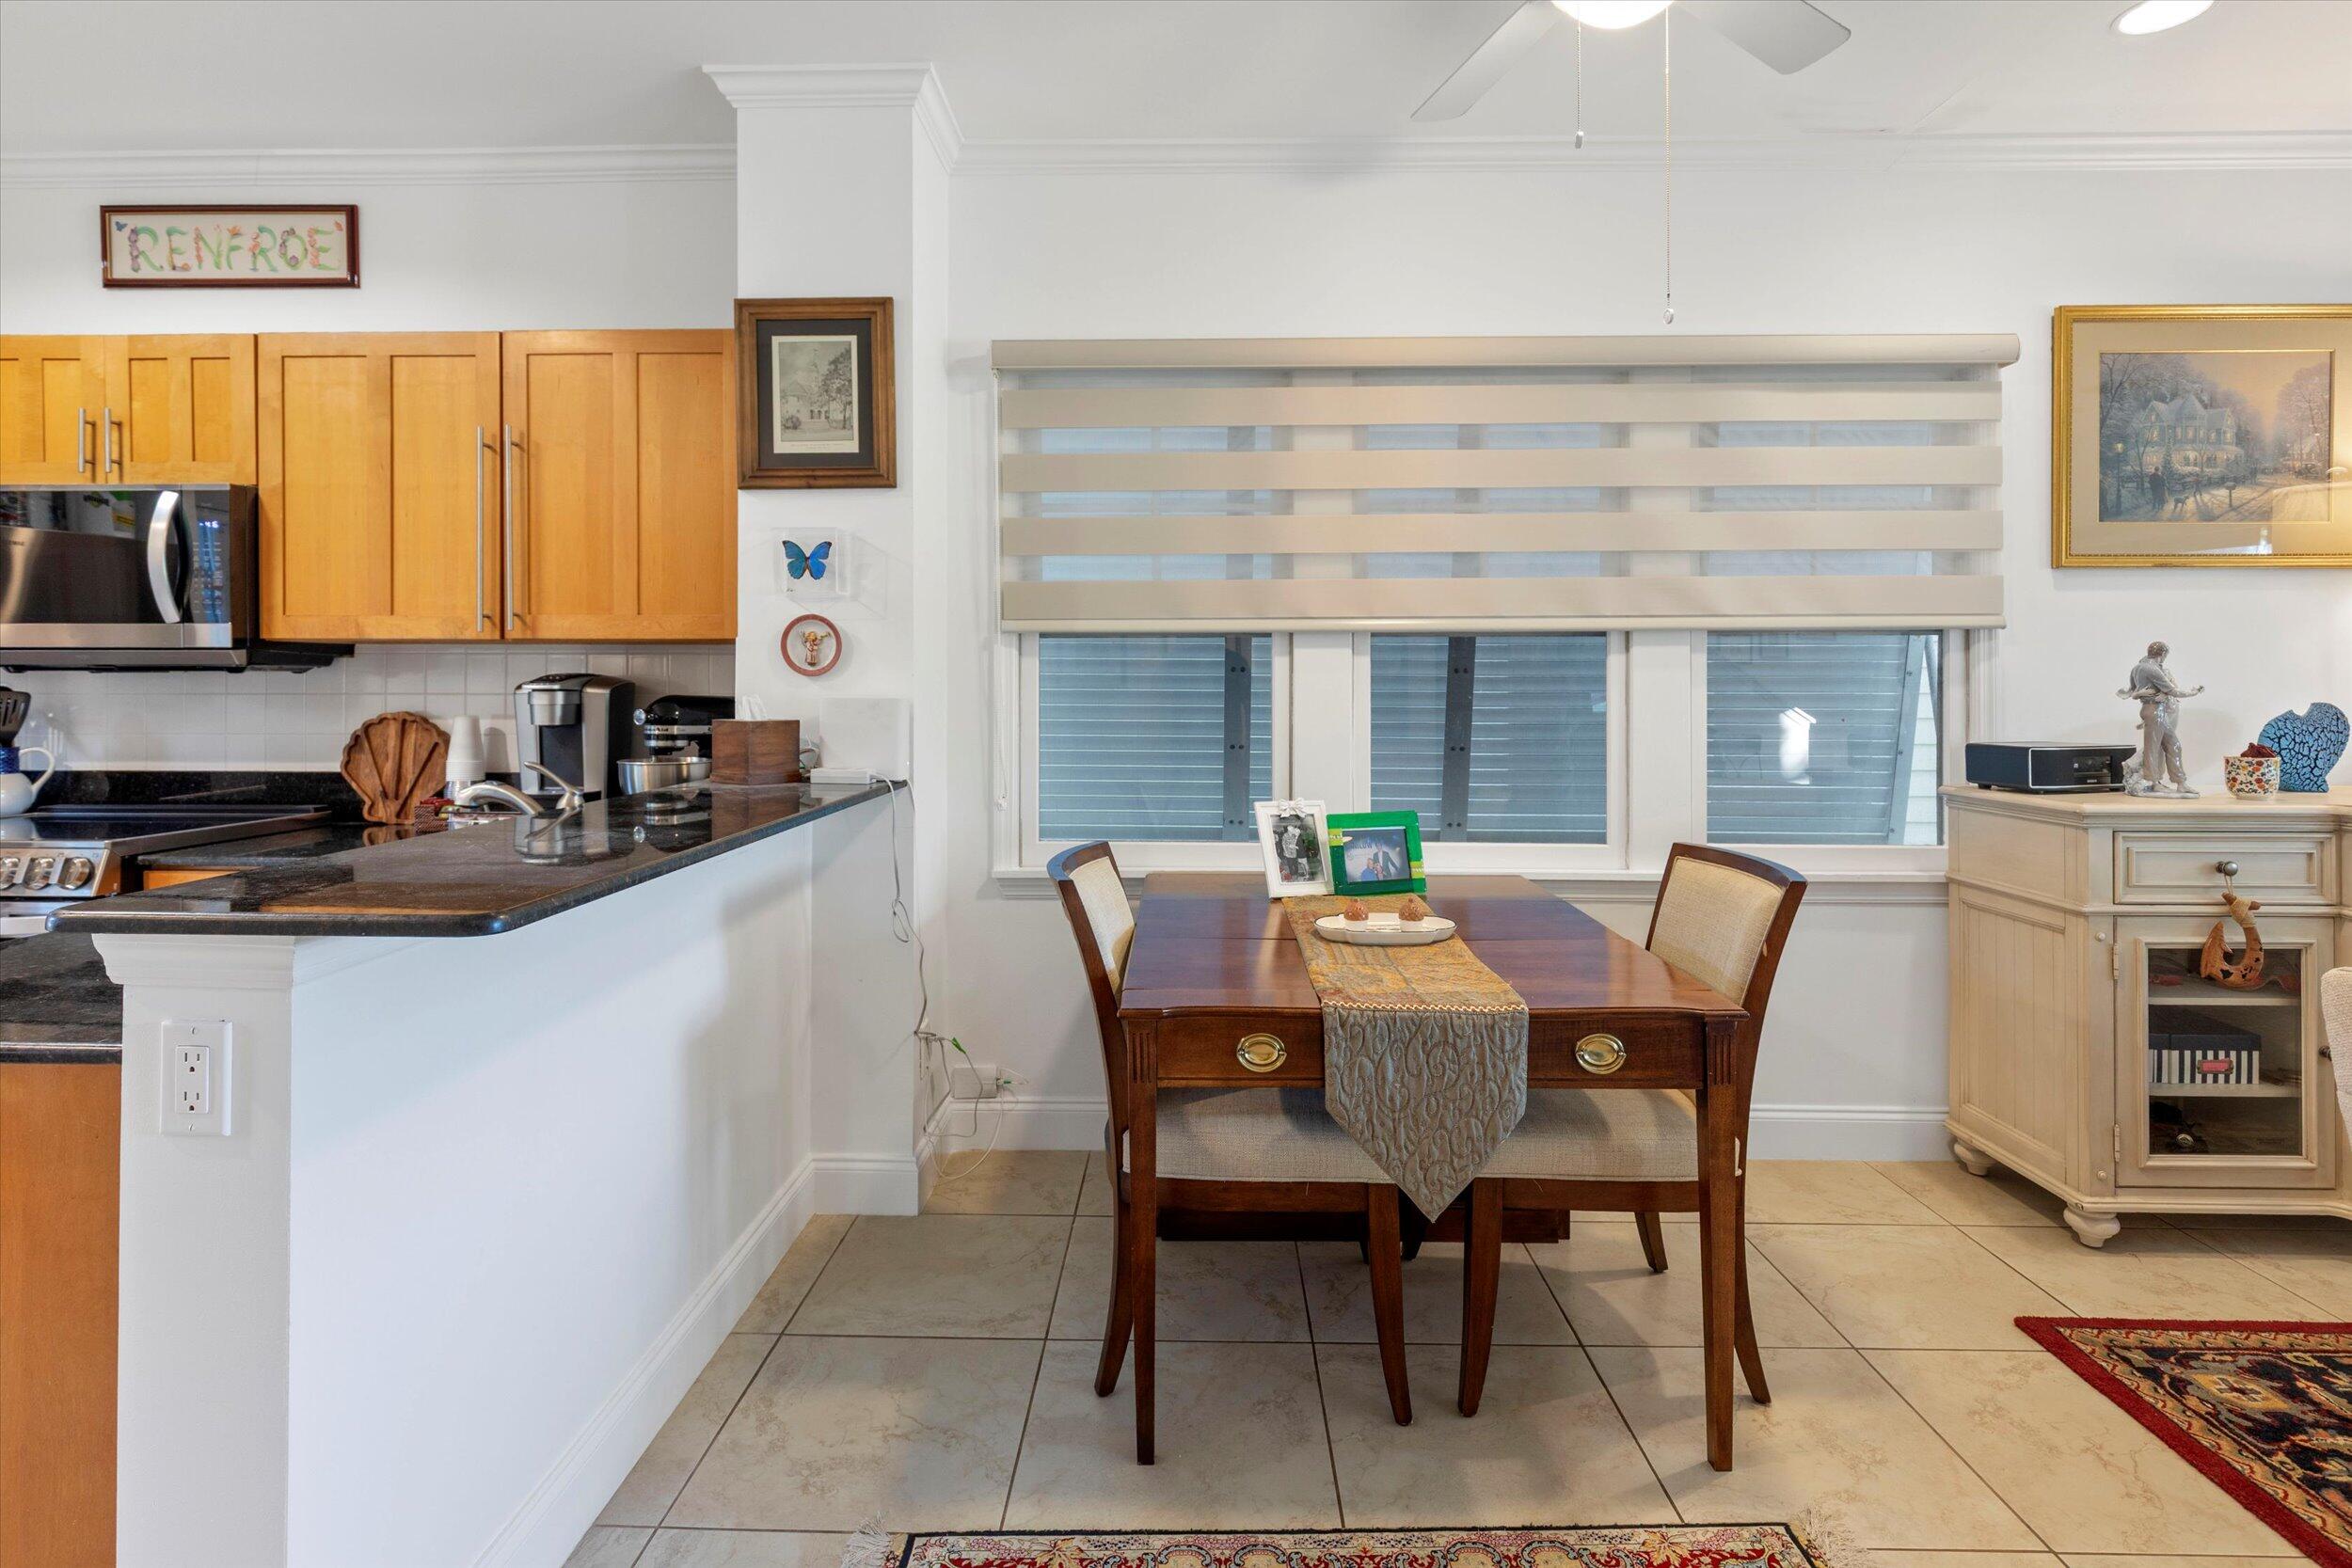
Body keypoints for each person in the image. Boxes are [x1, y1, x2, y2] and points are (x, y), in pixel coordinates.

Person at [2120, 640, 2203, 797]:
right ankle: (2154, 782)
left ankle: (2180, 783)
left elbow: (2131, 691)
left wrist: (2142, 694)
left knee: (2173, 745)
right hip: (2154, 710)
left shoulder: (2137, 668)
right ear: (2163, 654)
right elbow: (2173, 691)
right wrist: (2193, 692)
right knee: (2153, 748)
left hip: (2155, 710)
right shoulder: (2151, 669)